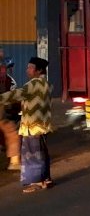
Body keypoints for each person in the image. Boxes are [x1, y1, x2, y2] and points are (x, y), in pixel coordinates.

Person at [0, 57, 53, 193]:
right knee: (42, 153)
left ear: (38, 70)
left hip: (32, 125)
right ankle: (45, 179)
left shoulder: (33, 84)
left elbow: (16, 94)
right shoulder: (46, 84)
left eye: (30, 67)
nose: (27, 70)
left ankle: (35, 182)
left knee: (32, 155)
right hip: (43, 125)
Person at [0, 49, 20, 171]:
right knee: (12, 132)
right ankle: (14, 161)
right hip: (2, 112)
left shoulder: (8, 80)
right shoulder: (7, 80)